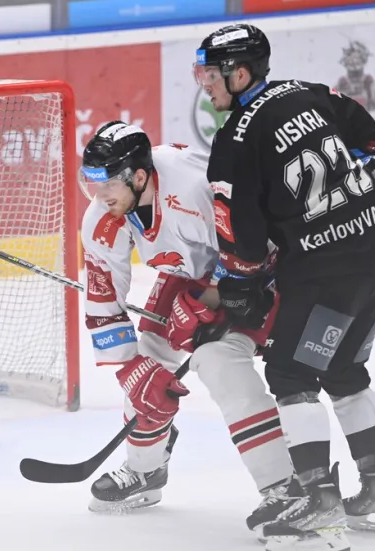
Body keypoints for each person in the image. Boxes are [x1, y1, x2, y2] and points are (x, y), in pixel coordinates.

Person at [194, 23, 375, 550]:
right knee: (342, 367)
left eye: (211, 74)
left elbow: (242, 245)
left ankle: (316, 500)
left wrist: (240, 284)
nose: (205, 84)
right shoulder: (309, 92)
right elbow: (372, 137)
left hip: (324, 270)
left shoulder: (233, 142)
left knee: (291, 371)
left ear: (240, 74)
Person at [79, 121, 295, 535]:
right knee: (146, 369)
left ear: (139, 177)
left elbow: (246, 245)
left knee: (218, 364)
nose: (97, 196)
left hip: (260, 271)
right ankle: (146, 472)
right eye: (90, 183)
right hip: (191, 274)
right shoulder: (102, 217)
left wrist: (213, 300)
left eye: (106, 185)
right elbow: (104, 301)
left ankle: (283, 487)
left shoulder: (191, 187)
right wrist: (130, 370)